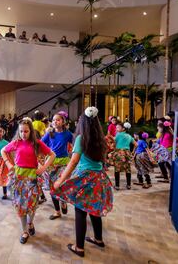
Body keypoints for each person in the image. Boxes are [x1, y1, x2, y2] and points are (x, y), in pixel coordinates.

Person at [52, 106, 113, 258]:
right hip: (99, 177)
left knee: (80, 211)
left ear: (83, 123)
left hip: (85, 178)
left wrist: (60, 179)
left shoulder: (81, 138)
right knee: (94, 208)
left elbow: (73, 162)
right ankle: (98, 239)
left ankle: (79, 248)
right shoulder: (101, 139)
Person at [1, 117, 55, 244]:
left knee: (32, 205)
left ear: (30, 131)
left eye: (26, 131)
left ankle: (30, 223)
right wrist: (8, 164)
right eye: (21, 131)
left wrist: (43, 168)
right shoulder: (16, 142)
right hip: (18, 177)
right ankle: (24, 230)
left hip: (32, 178)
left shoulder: (37, 143)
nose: (23, 134)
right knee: (20, 205)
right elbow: (3, 150)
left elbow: (52, 155)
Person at [42, 112, 73, 220]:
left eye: (58, 120)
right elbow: (41, 144)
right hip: (51, 162)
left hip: (64, 162)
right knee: (52, 187)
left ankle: (63, 201)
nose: (55, 121)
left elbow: (75, 144)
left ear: (63, 122)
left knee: (62, 185)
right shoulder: (49, 133)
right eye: (54, 120)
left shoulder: (68, 134)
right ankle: (57, 211)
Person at [108, 122, 136, 190]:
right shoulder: (129, 136)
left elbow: (113, 142)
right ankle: (128, 185)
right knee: (128, 169)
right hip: (127, 153)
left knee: (117, 169)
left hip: (119, 153)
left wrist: (110, 138)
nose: (116, 128)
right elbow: (136, 144)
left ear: (123, 129)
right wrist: (133, 152)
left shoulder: (118, 135)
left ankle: (117, 186)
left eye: (118, 127)